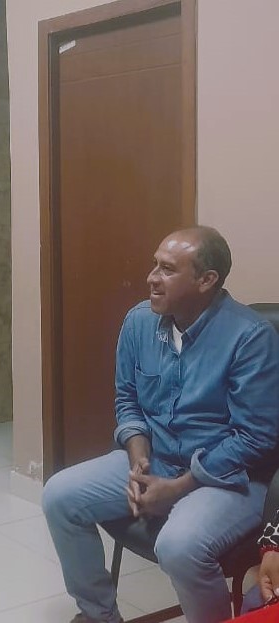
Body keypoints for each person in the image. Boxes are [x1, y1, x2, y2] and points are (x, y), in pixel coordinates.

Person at [42, 226, 279, 623]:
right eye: (155, 265)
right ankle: (99, 615)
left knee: (178, 545)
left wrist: (179, 487)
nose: (151, 277)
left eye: (167, 269)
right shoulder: (139, 322)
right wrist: (140, 462)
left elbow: (254, 438)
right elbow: (128, 401)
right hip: (159, 459)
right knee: (59, 496)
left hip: (231, 479)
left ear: (207, 280)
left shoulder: (250, 337)